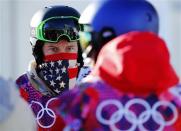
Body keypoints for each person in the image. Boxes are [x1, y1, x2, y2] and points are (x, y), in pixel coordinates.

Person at [50, 0, 181, 130]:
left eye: (87, 39)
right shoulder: (177, 97)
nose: (86, 52)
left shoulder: (79, 100)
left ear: (107, 37)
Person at [16, 5, 90, 130]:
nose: (63, 57)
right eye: (54, 49)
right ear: (39, 51)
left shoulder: (95, 87)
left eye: (70, 48)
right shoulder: (19, 93)